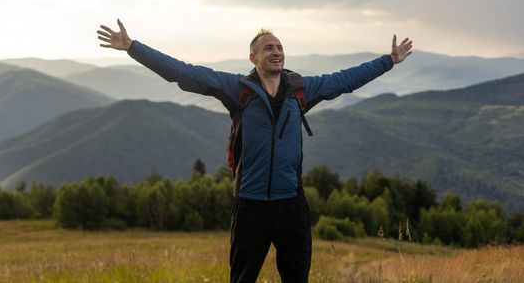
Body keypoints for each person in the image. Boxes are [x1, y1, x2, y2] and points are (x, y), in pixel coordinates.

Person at [97, 19, 413, 282]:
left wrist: (389, 61)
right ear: (253, 58)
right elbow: (183, 72)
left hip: (292, 205)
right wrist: (133, 48)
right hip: (251, 206)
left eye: (279, 48)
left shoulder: (301, 90)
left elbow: (346, 79)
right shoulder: (237, 90)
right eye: (268, 48)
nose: (276, 53)